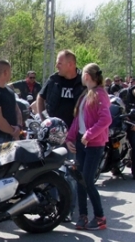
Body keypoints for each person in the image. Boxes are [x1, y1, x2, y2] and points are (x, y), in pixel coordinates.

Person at [37, 50, 85, 222]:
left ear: (70, 64)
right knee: (49, 171)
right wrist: (44, 119)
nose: (56, 65)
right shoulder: (54, 79)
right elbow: (40, 98)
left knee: (69, 174)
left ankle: (67, 209)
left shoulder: (83, 82)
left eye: (59, 62)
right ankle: (50, 207)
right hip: (52, 135)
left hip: (73, 136)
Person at [65, 63, 111, 231]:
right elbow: (78, 120)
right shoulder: (86, 94)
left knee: (88, 180)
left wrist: (89, 135)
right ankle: (82, 216)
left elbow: (106, 119)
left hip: (94, 145)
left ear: (86, 76)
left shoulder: (100, 94)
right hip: (81, 143)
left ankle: (100, 217)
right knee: (80, 180)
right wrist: (69, 138)